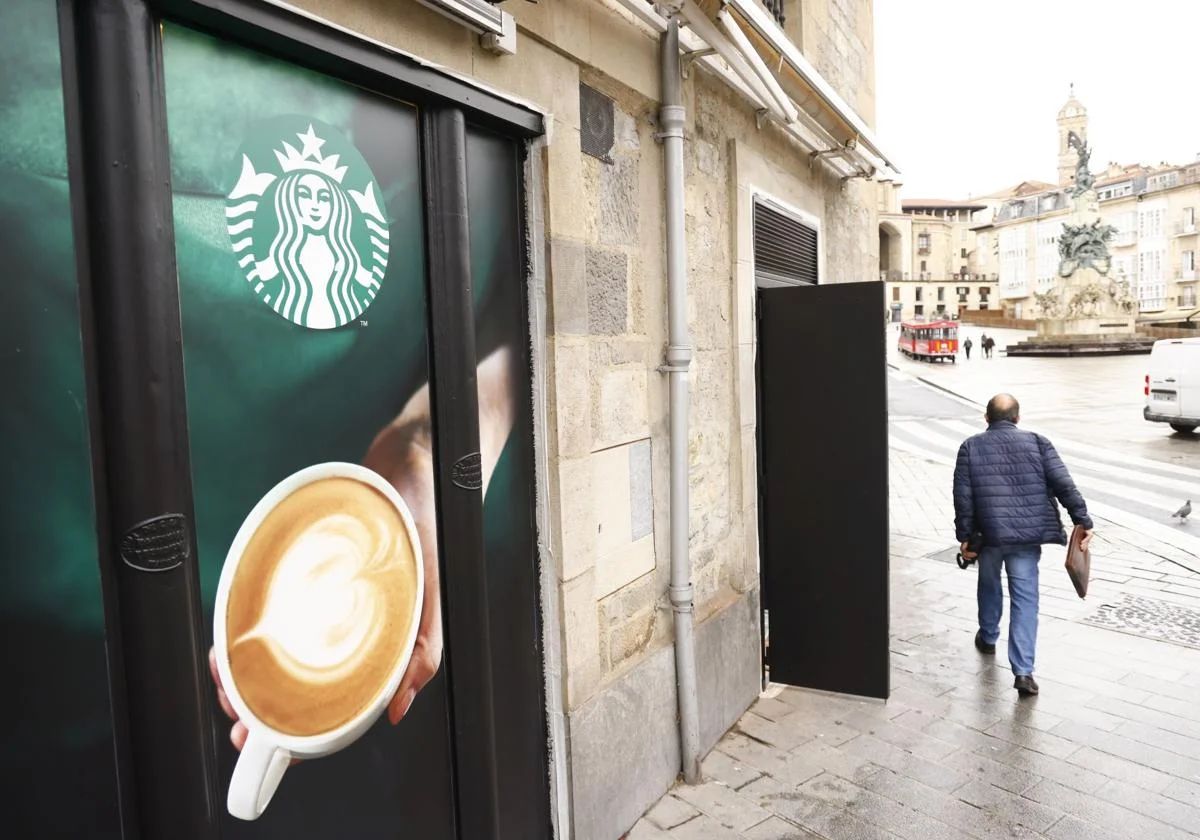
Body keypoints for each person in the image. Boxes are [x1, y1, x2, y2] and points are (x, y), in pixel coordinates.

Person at [953, 394, 1094, 697]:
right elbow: (1063, 484)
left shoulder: (970, 446)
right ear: (1017, 418)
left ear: (986, 418)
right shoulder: (1038, 442)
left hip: (988, 535)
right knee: (1026, 599)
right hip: (1026, 537)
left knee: (989, 585)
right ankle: (1023, 672)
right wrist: (1083, 522)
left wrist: (964, 536)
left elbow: (963, 497)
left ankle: (989, 636)